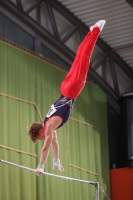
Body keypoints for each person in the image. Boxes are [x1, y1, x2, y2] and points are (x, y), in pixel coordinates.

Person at [28, 20, 106, 176]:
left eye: (40, 137)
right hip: (65, 88)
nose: (43, 139)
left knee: (84, 58)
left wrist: (40, 166)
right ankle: (91, 31)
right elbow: (54, 144)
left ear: (41, 132)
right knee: (80, 57)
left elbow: (46, 147)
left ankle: (96, 30)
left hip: (71, 89)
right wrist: (56, 160)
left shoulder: (49, 126)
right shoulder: (49, 123)